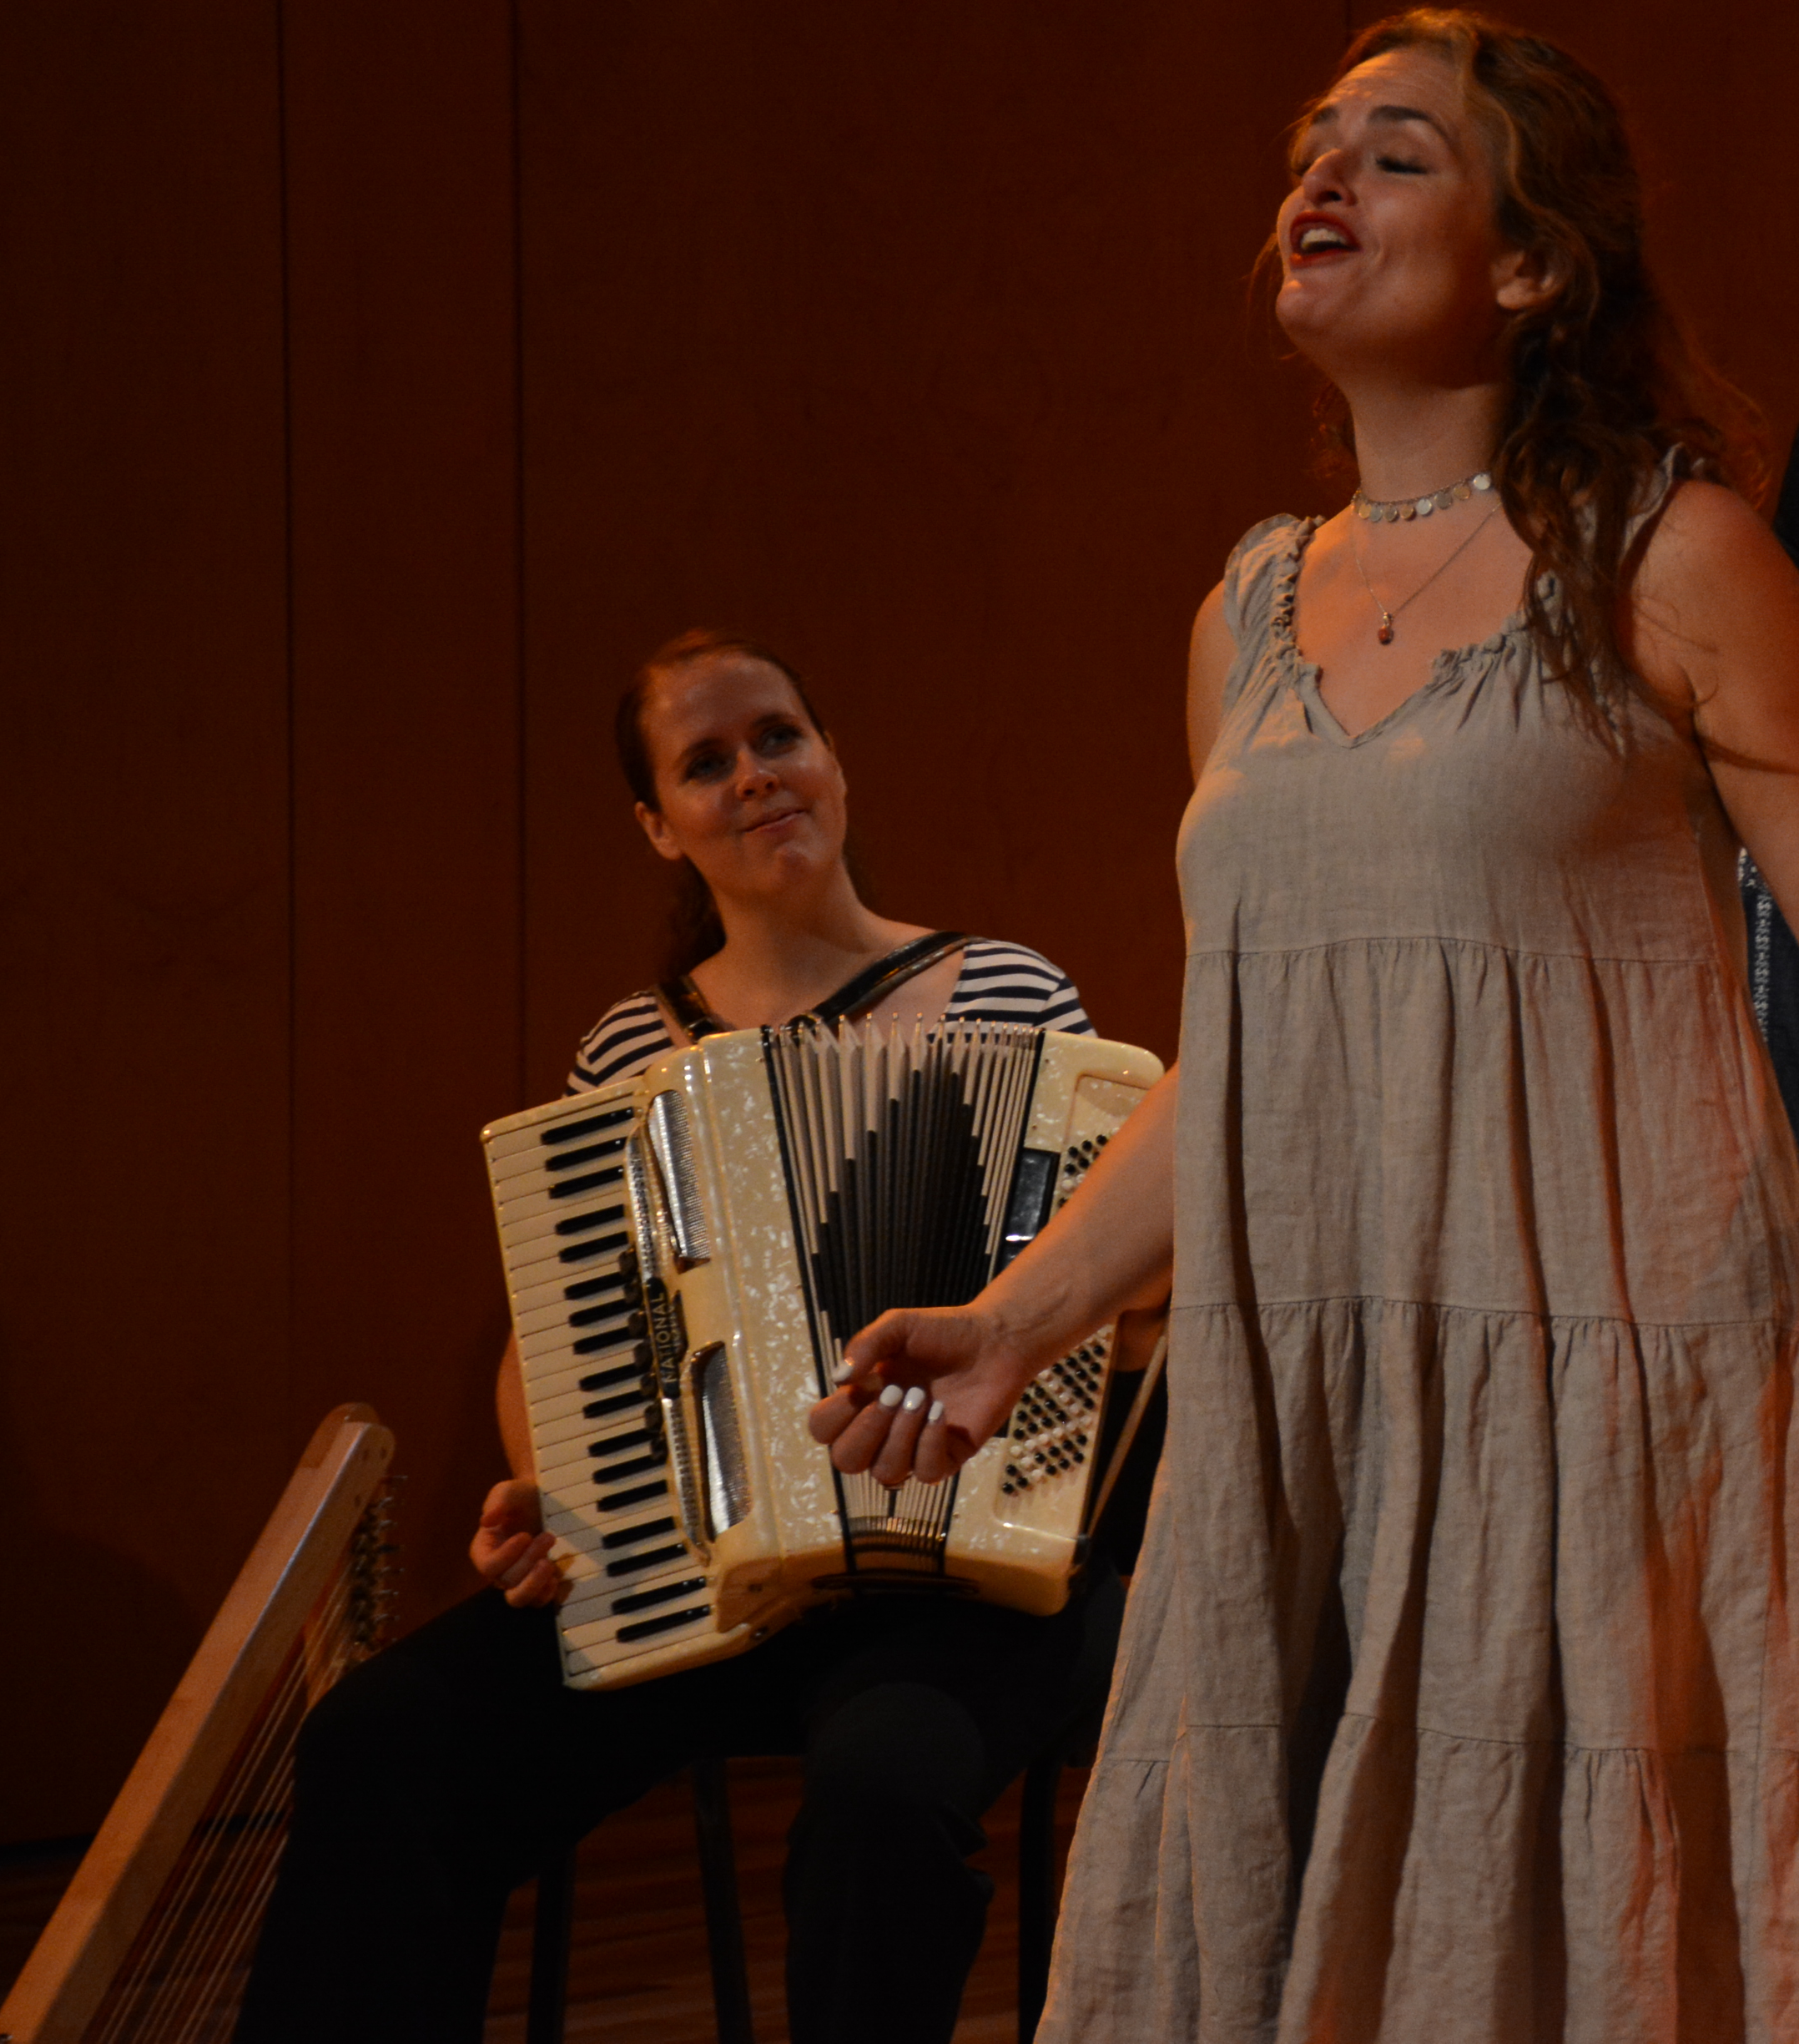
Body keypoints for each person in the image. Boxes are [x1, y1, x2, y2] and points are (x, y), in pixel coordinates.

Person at [810, 10, 1799, 2041]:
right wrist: (1014, 1319)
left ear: (1532, 265)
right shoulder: (1245, 612)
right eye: (1311, 144)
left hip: (1611, 1376)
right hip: (1321, 1401)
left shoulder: (1675, 554)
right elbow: (1255, 1067)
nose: (1325, 180)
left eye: (1397, 154)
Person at [237, 631, 1132, 2044]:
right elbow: (559, 1339)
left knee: (884, 1794)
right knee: (383, 1741)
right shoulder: (628, 1051)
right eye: (704, 764)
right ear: (659, 826)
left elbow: (1110, 1285)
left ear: (833, 761)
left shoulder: (1008, 993)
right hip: (697, 1585)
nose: (754, 777)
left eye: (778, 736)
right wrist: (549, 1495)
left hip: (963, 1576)